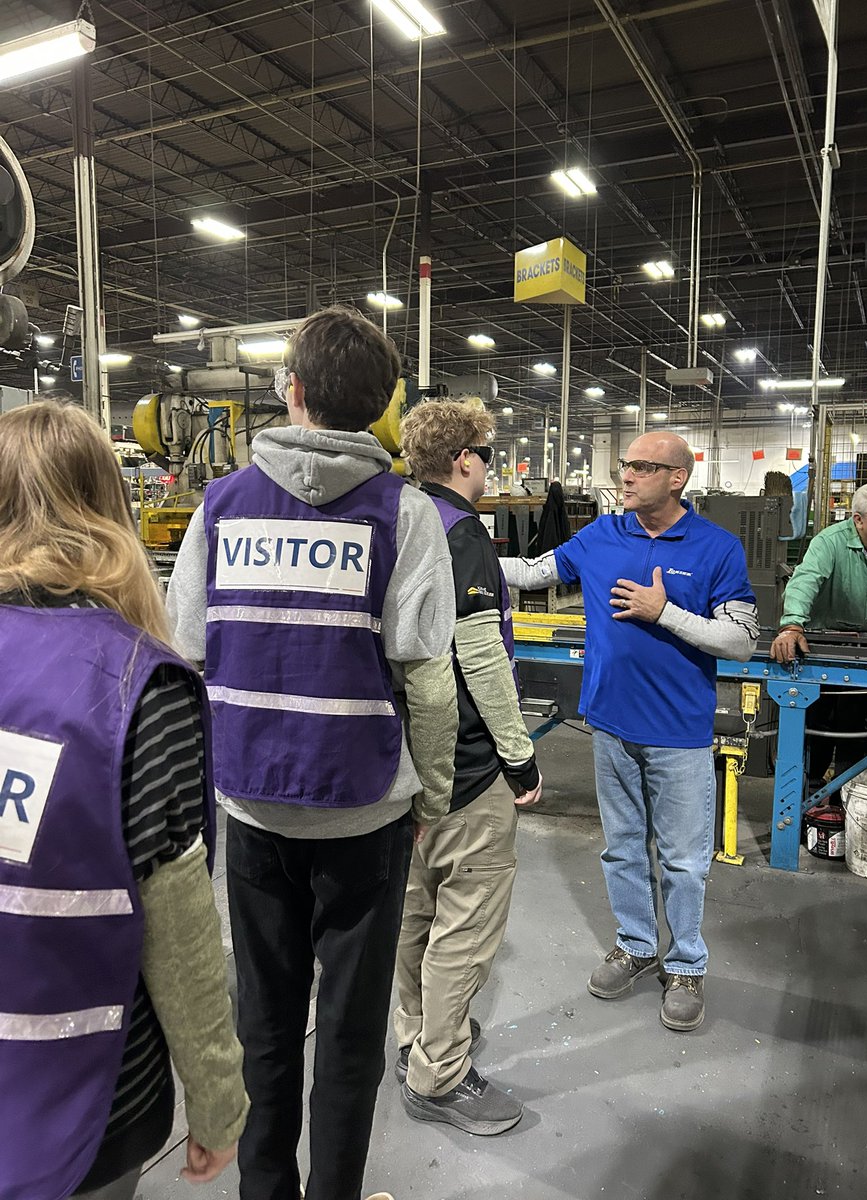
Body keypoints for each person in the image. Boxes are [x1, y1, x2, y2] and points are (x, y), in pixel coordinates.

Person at [166, 306, 458, 1200]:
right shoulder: (406, 515)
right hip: (365, 810)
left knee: (263, 1020)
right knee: (349, 1032)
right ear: (383, 406)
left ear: (291, 391)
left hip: (252, 809)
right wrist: (431, 798)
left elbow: (187, 653)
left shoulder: (220, 508)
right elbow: (429, 684)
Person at [0, 402, 247, 1200]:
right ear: (108, 504)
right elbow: (179, 938)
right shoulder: (134, 686)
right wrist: (218, 1102)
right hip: (84, 1099)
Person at [502, 432, 758, 1031]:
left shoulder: (716, 548)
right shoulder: (601, 534)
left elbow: (742, 640)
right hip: (611, 726)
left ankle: (686, 964)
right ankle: (637, 946)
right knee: (621, 846)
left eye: (643, 467)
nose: (627, 476)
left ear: (677, 478)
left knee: (683, 859)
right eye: (626, 465)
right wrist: (452, 544)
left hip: (679, 733)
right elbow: (535, 571)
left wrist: (663, 612)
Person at [392, 400, 542, 1136]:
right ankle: (441, 1073)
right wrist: (519, 758)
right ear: (464, 460)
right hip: (464, 764)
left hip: (398, 764)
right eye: (486, 454)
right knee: (466, 919)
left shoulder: (391, 518)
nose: (488, 466)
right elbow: (480, 658)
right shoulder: (462, 531)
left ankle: (414, 1037)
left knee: (412, 911)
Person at [770, 480, 867, 782]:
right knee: (819, 732)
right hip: (827, 650)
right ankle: (812, 794)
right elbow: (805, 580)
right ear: (858, 520)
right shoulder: (829, 542)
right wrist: (792, 625)